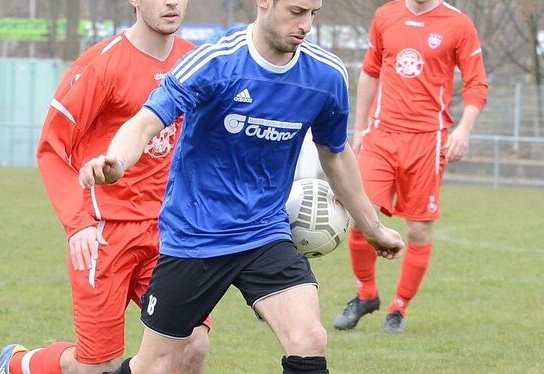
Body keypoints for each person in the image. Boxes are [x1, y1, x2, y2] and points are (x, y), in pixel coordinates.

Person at [79, 0, 405, 372]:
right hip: (195, 236)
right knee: (157, 365)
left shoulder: (325, 75)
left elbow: (334, 154)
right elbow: (145, 123)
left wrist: (373, 228)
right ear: (264, 3)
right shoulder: (215, 62)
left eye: (313, 14)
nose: (306, 25)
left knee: (309, 338)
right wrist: (117, 162)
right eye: (296, 12)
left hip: (265, 233)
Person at [0, 1, 210, 373]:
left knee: (192, 343)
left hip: (171, 231)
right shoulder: (100, 65)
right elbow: (51, 149)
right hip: (104, 233)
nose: (172, 1)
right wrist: (77, 224)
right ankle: (20, 364)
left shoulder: (196, 61)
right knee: (101, 367)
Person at [333, 0, 489, 334]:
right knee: (362, 216)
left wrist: (463, 129)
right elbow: (370, 72)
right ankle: (366, 293)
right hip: (381, 135)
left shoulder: (458, 24)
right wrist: (359, 128)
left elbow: (477, 84)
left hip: (427, 141)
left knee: (418, 230)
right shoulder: (385, 15)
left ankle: (398, 309)